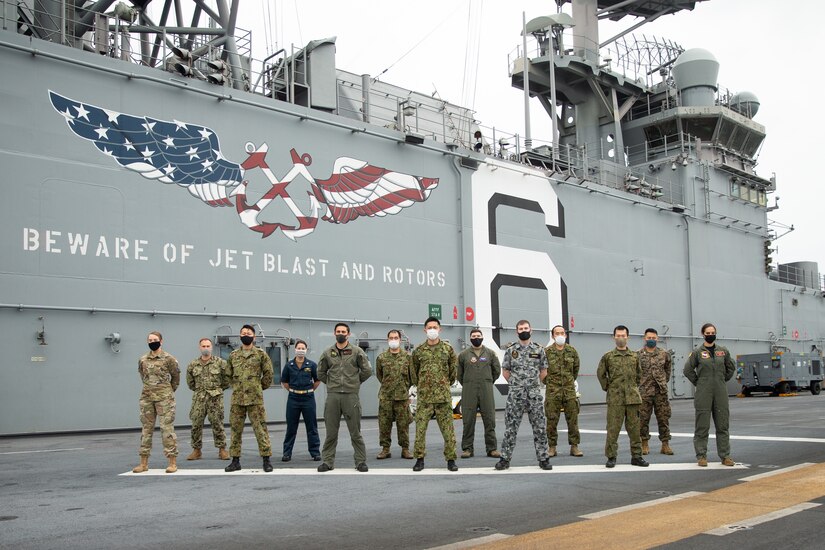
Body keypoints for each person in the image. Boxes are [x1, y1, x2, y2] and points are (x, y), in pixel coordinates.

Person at [494, 320, 552, 471]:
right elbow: (505, 372)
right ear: (517, 331)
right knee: (510, 428)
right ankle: (505, 459)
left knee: (539, 427)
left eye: (526, 328)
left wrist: (532, 384)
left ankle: (544, 459)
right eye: (521, 328)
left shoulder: (539, 350)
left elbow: (543, 371)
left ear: (531, 330)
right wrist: (517, 384)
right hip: (516, 395)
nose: (523, 330)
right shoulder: (511, 350)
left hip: (534, 394)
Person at [317, 322, 372, 472]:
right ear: (334, 333)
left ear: (348, 334)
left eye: (343, 331)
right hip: (333, 396)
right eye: (338, 331)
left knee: (355, 432)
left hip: (351, 396)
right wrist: (331, 384)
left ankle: (360, 461)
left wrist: (355, 382)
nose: (341, 333)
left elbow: (367, 370)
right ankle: (327, 462)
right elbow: (320, 372)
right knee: (331, 433)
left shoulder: (356, 351)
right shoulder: (328, 352)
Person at [683, 323, 736, 467]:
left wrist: (722, 379)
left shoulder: (723, 351)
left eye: (713, 332)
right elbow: (687, 370)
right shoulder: (697, 352)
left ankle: (725, 456)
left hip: (720, 392)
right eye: (708, 332)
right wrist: (699, 383)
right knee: (702, 425)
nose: (711, 334)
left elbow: (731, 367)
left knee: (723, 425)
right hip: (703, 393)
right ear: (703, 334)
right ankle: (701, 456)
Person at [597, 325, 649, 468]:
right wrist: (608, 387)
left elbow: (639, 375)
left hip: (632, 398)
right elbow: (601, 374)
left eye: (623, 335)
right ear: (614, 337)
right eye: (618, 335)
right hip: (615, 399)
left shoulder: (634, 356)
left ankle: (637, 456)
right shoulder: (608, 356)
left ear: (628, 337)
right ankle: (611, 457)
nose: (621, 338)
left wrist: (633, 388)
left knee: (634, 429)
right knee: (613, 429)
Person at [224, 324, 274, 473]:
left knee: (260, 429)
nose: (246, 335)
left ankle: (266, 460)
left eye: (248, 333)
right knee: (235, 430)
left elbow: (269, 373)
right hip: (237, 400)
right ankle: (235, 461)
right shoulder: (233, 355)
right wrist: (236, 386)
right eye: (243, 333)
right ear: (240, 336)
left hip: (255, 399)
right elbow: (227, 374)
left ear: (254, 336)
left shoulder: (260, 354)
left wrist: (258, 387)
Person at [411, 317, 459, 472]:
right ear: (425, 330)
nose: (432, 330)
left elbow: (453, 372)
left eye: (435, 327)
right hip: (424, 398)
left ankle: (451, 459)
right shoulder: (418, 350)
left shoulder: (448, 349)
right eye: (429, 327)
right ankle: (419, 459)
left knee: (448, 430)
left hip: (443, 397)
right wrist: (424, 385)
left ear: (440, 329)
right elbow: (414, 373)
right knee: (420, 430)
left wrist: (443, 384)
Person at [132, 331, 180, 474]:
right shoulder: (143, 359)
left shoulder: (169, 359)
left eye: (155, 339)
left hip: (165, 398)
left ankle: (172, 462)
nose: (152, 341)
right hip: (147, 398)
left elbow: (176, 377)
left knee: (167, 429)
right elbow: (143, 376)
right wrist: (151, 389)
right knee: (146, 430)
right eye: (150, 339)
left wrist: (168, 391)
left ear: (161, 341)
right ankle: (143, 463)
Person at [457, 328, 501, 459]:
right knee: (468, 420)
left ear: (482, 337)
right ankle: (467, 449)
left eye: (478, 335)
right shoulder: (463, 355)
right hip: (469, 389)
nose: (476, 337)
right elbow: (459, 374)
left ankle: (492, 449)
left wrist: (487, 381)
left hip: (486, 389)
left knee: (489, 419)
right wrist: (468, 382)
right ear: (470, 338)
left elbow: (496, 371)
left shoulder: (490, 353)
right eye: (474, 336)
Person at [185, 338, 230, 461]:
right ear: (200, 347)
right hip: (199, 398)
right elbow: (190, 383)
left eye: (208, 346)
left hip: (215, 399)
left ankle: (222, 450)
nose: (206, 348)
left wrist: (216, 390)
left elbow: (227, 381)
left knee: (217, 423)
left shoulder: (220, 363)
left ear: (211, 347)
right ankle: (196, 450)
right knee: (196, 424)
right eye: (203, 346)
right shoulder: (193, 364)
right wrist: (200, 390)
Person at [544, 325, 583, 458]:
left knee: (573, 420)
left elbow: (575, 370)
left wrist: (568, 382)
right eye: (557, 333)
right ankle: (552, 447)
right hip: (553, 392)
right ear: (553, 336)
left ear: (565, 335)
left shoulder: (572, 351)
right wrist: (550, 383)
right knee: (551, 421)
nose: (560, 335)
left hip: (569, 391)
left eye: (562, 333)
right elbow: (543, 371)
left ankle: (574, 446)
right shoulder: (547, 352)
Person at [375, 330, 413, 460]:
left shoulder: (408, 358)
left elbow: (412, 377)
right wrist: (389, 386)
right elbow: (380, 376)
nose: (393, 340)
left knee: (403, 425)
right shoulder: (381, 358)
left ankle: (405, 449)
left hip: (402, 397)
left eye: (396, 337)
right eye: (391, 337)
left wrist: (404, 389)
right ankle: (385, 449)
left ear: (400, 340)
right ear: (387, 340)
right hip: (386, 396)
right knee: (384, 424)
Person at [280, 340, 321, 462]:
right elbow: (284, 381)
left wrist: (309, 390)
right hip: (293, 399)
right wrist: (293, 391)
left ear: (306, 350)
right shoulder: (289, 365)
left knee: (312, 427)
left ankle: (315, 452)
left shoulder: (312, 365)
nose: (301, 350)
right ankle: (287, 453)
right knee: (291, 427)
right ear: (295, 349)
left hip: (308, 398)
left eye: (303, 348)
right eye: (299, 348)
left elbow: (317, 380)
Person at [638, 328, 674, 456]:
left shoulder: (664, 354)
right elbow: (635, 373)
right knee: (642, 420)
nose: (651, 340)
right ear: (644, 338)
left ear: (657, 338)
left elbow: (668, 371)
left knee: (663, 418)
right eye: (649, 338)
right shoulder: (638, 355)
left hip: (660, 392)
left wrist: (663, 382)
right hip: (644, 393)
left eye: (654, 338)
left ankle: (665, 445)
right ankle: (644, 443)